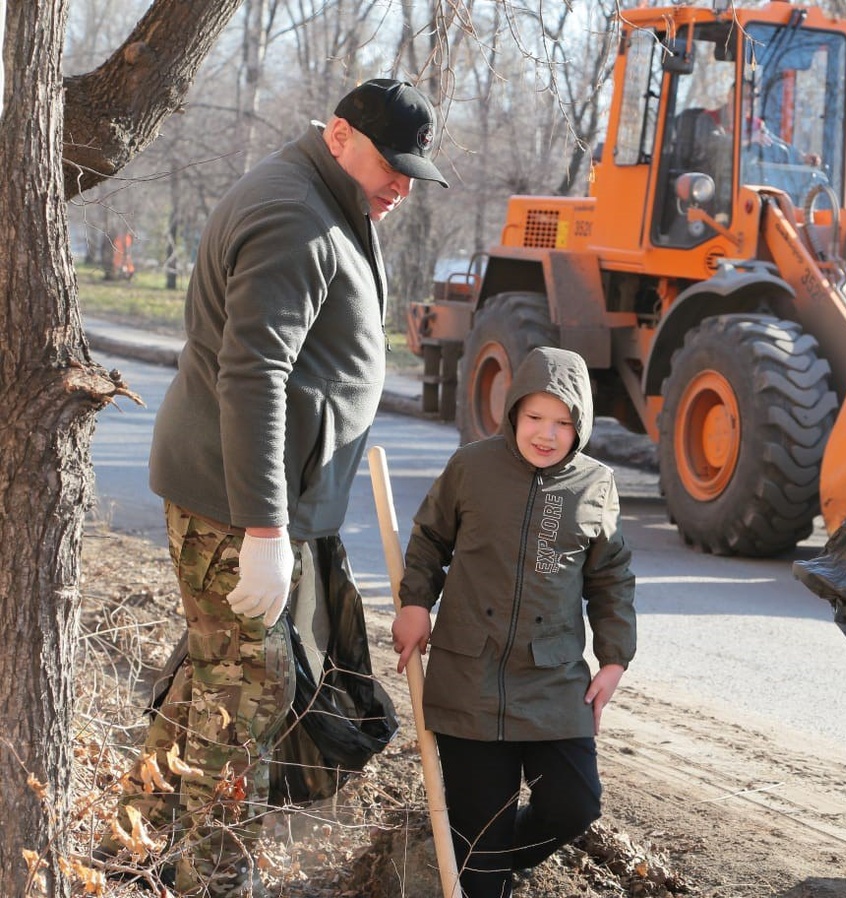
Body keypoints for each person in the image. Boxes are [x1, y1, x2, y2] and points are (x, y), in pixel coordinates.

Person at [97, 78, 449, 898]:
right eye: (389, 165)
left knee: (217, 679)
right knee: (249, 697)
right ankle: (211, 880)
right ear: (338, 136)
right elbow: (252, 377)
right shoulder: (296, 215)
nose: (400, 184)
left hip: (251, 499)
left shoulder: (329, 199)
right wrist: (263, 531)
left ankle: (130, 844)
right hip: (234, 501)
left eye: (410, 171)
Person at [392, 346, 637, 898]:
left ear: (582, 426)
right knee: (480, 840)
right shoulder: (472, 467)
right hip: (469, 677)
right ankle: (481, 872)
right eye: (534, 418)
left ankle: (487, 864)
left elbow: (611, 579)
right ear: (512, 414)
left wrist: (615, 658)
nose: (546, 434)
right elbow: (430, 540)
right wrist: (414, 604)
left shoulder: (595, 484)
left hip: (552, 679)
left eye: (563, 423)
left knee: (575, 804)